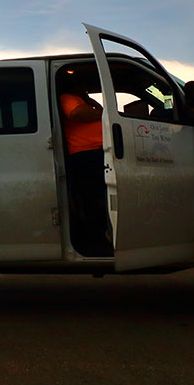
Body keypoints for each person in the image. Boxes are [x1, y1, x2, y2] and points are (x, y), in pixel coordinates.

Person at [59, 85, 112, 257]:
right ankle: (95, 241)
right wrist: (105, 115)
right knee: (94, 201)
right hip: (86, 156)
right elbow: (77, 113)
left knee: (100, 199)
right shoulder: (67, 97)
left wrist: (90, 102)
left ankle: (100, 238)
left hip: (97, 154)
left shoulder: (83, 100)